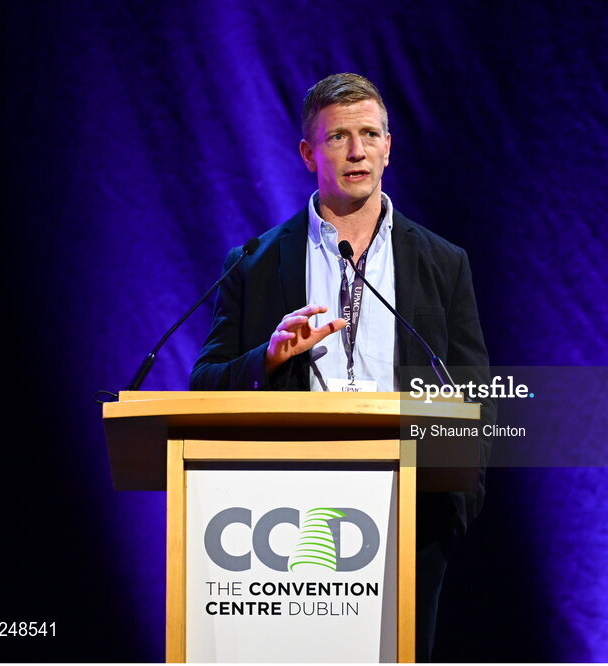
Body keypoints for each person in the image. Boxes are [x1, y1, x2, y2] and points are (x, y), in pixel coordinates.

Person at [190, 72, 493, 660]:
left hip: (410, 514)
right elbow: (205, 384)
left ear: (388, 146)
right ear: (309, 153)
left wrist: (457, 504)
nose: (356, 151)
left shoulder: (443, 263)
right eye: (337, 138)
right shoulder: (254, 263)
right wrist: (268, 359)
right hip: (280, 527)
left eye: (369, 134)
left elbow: (471, 396)